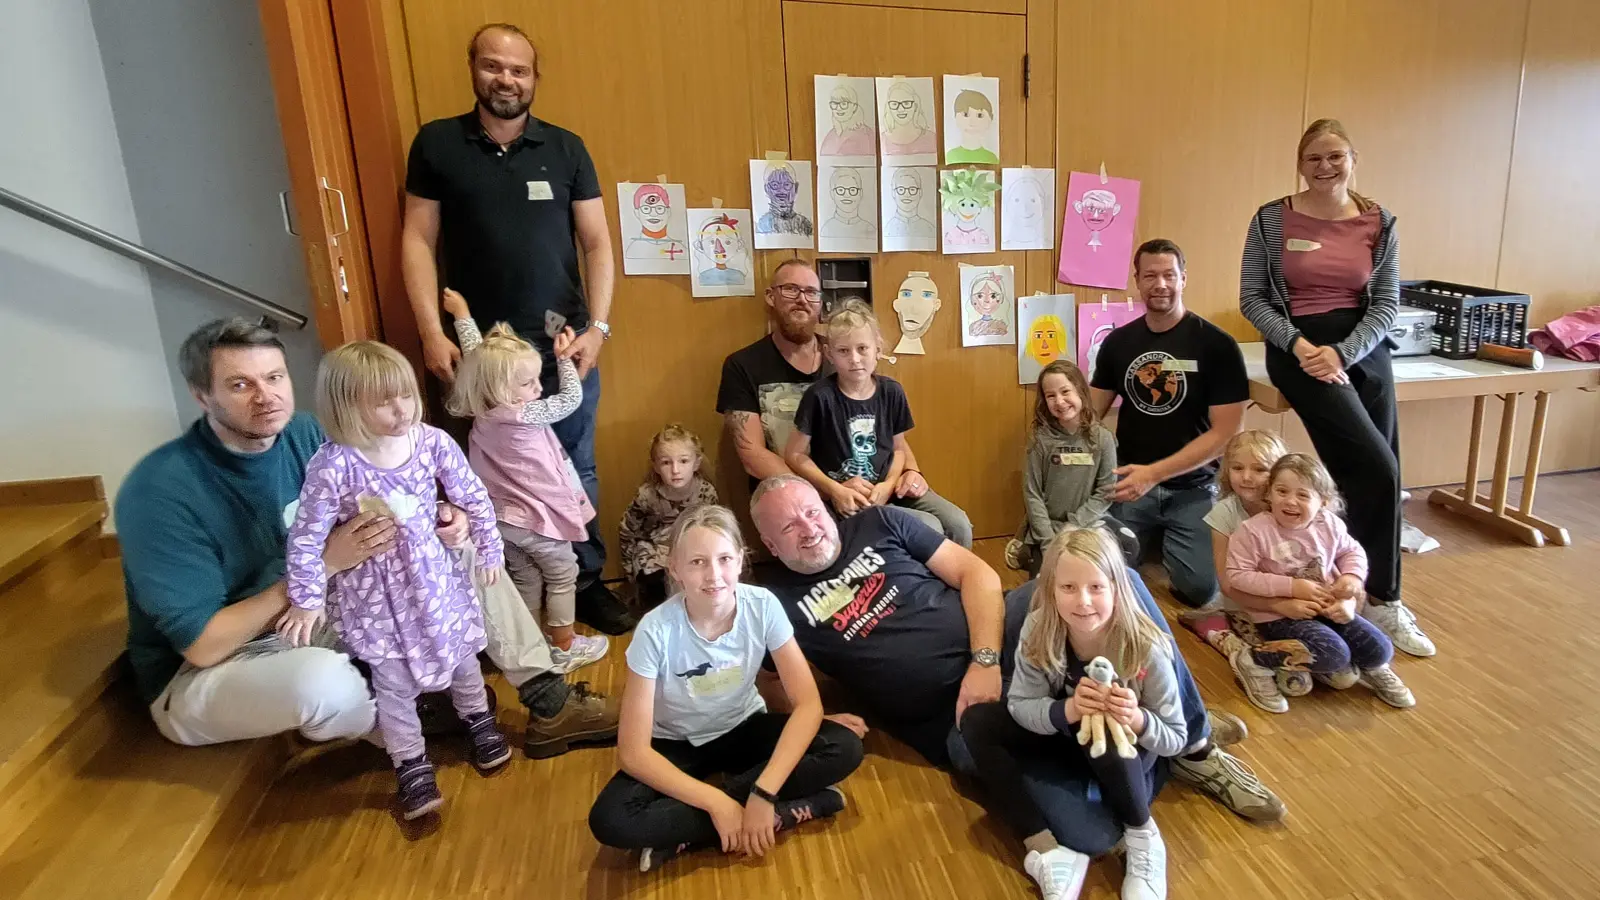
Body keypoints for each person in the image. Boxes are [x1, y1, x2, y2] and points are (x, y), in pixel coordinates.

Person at [116, 318, 617, 758]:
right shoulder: (163, 492)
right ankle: (397, 715)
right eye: (240, 385)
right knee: (324, 687)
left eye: (274, 378)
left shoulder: (309, 436)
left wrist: (441, 517)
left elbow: (381, 511)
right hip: (220, 665)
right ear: (203, 396)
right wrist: (322, 570)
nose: (265, 397)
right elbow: (203, 647)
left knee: (455, 550)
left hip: (322, 615)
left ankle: (546, 699)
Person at [748, 475, 1287, 857]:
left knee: (1119, 580)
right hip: (954, 719)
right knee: (1094, 838)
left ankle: (1191, 742)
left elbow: (978, 575)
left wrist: (985, 659)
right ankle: (1145, 734)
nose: (810, 528)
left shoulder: (881, 522)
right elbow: (770, 683)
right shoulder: (772, 601)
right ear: (769, 544)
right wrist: (814, 722)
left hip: (1001, 630)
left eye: (812, 512)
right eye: (789, 528)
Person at [401, 22, 633, 635]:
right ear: (473, 68)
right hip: (477, 353)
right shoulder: (437, 145)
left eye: (519, 70)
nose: (506, 79)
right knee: (478, 479)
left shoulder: (565, 149)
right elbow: (417, 240)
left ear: (534, 78)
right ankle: (502, 600)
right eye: (493, 66)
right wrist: (431, 330)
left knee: (574, 467)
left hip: (562, 343)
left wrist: (600, 328)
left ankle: (582, 583)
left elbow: (600, 245)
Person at [278, 340, 510, 821]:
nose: (401, 409)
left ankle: (478, 719)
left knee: (464, 659)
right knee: (393, 684)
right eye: (384, 400)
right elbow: (305, 537)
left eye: (405, 395)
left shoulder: (432, 443)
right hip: (375, 597)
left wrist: (488, 545)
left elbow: (473, 495)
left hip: (435, 583)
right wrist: (306, 598)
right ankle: (409, 762)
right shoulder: (334, 464)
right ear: (347, 405)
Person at [1239, 117, 1434, 658]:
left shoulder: (1380, 221)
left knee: (1381, 468)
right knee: (1377, 467)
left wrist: (1343, 353)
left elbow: (1387, 302)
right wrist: (1302, 347)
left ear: (1353, 159)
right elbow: (1253, 297)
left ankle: (1351, 587)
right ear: (1300, 163)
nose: (1325, 167)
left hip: (1362, 347)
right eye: (1313, 158)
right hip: (1297, 345)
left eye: (1335, 156)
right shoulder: (1271, 219)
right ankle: (1386, 600)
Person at [587, 505, 862, 872]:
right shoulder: (654, 631)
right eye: (698, 562)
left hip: (743, 726)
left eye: (724, 559)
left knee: (844, 746)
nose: (713, 574)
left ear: (740, 560)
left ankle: (698, 830)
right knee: (610, 819)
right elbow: (634, 752)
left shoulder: (763, 606)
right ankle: (781, 812)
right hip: (677, 742)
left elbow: (808, 704)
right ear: (676, 569)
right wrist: (718, 803)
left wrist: (761, 794)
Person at [963, 528, 1184, 900]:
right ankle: (1045, 849)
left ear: (1116, 586)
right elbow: (1020, 704)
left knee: (1110, 725)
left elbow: (1175, 736)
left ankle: (1143, 834)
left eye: (1096, 587)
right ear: (1050, 589)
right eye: (1068, 588)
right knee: (976, 722)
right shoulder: (1039, 628)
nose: (1083, 602)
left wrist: (1136, 718)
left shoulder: (1146, 646)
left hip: (1122, 752)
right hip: (1066, 735)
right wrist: (1067, 709)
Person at [443, 289, 608, 673]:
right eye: (529, 383)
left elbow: (476, 357)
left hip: (501, 522)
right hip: (537, 519)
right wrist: (564, 359)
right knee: (563, 572)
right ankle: (563, 647)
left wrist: (463, 314)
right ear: (503, 389)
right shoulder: (524, 415)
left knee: (526, 577)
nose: (537, 389)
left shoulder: (482, 407)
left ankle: (529, 643)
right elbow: (570, 399)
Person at [1089, 239, 1249, 609]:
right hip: (1129, 482)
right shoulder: (1118, 342)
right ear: (1137, 281)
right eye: (1150, 276)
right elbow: (1090, 416)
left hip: (1193, 489)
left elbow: (1226, 433)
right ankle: (1149, 542)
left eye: (1168, 275)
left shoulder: (1217, 346)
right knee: (1105, 575)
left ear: (1183, 278)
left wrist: (1154, 474)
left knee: (1198, 591)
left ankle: (1162, 542)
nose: (1160, 284)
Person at [717, 260, 939, 508]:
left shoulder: (845, 351)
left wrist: (912, 470)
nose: (802, 299)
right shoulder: (743, 365)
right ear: (771, 297)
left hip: (870, 483)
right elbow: (752, 456)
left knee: (953, 523)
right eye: (790, 289)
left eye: (811, 292)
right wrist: (828, 490)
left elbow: (884, 426)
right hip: (795, 494)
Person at [1224, 454, 1415, 712]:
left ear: (1323, 501)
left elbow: (1352, 552)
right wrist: (1292, 588)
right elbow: (1238, 575)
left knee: (1381, 650)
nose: (1290, 501)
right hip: (1278, 615)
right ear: (1268, 494)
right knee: (1334, 655)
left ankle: (1367, 667)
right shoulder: (1252, 531)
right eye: (1282, 491)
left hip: (1327, 606)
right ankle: (1254, 660)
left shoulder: (1330, 524)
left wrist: (1351, 580)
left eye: (1303, 495)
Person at [784, 299, 973, 546]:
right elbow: (794, 454)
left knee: (958, 524)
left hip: (889, 487)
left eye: (862, 348)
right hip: (851, 497)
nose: (854, 359)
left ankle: (958, 581)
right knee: (928, 527)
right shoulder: (819, 397)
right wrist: (835, 490)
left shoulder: (892, 392)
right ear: (829, 354)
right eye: (843, 351)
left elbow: (898, 448)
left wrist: (889, 484)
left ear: (878, 349)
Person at [1006, 359, 1135, 575]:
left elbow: (1106, 491)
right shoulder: (1040, 441)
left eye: (1065, 391)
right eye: (1051, 395)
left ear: (1081, 392)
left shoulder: (1102, 439)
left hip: (1088, 522)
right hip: (1049, 526)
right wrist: (1048, 541)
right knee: (1046, 578)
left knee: (1128, 546)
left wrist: (1074, 526)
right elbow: (1032, 494)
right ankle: (1025, 547)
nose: (1060, 401)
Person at [1187, 432, 1293, 668]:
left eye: (1259, 469)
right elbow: (1227, 584)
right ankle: (1217, 630)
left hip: (1292, 598)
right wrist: (1279, 606)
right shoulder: (1225, 514)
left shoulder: (1289, 509)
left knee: (1340, 673)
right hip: (1248, 606)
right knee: (1281, 666)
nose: (1246, 477)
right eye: (1237, 468)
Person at [619, 424, 719, 609]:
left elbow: (714, 528)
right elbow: (628, 531)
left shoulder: (705, 492)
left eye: (683, 461)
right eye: (666, 462)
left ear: (696, 463)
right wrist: (629, 573)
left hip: (692, 544)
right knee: (652, 581)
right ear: (656, 466)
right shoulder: (647, 496)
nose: (675, 470)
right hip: (656, 548)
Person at [946, 89, 999, 165]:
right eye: (966, 115)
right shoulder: (950, 156)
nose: (972, 123)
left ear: (990, 119)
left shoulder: (991, 158)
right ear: (955, 117)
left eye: (980, 115)